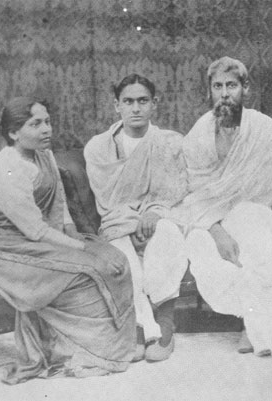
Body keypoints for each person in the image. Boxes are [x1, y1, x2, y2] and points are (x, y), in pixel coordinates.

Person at [0, 97, 138, 384]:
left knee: (114, 258)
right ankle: (82, 352)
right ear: (13, 133)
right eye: (36, 124)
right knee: (86, 270)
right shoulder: (4, 168)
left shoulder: (44, 155)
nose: (47, 129)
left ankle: (115, 349)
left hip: (33, 238)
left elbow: (59, 207)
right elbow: (35, 231)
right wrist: (83, 252)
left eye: (47, 121)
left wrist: (79, 240)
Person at [167, 56, 272, 356]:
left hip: (253, 213)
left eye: (232, 85)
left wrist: (237, 219)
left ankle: (251, 328)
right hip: (207, 220)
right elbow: (191, 191)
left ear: (245, 89)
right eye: (218, 86)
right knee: (201, 248)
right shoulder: (200, 133)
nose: (225, 93)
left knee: (251, 228)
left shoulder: (265, 131)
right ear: (209, 91)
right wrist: (216, 229)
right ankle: (254, 321)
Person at [84, 74, 188, 362]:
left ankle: (165, 324)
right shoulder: (98, 147)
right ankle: (140, 327)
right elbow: (107, 199)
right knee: (121, 253)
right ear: (116, 105)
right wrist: (134, 222)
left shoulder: (171, 142)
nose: (136, 108)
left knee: (167, 234)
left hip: (160, 217)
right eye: (128, 101)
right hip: (118, 221)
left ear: (154, 104)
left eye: (143, 101)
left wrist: (155, 212)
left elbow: (179, 193)